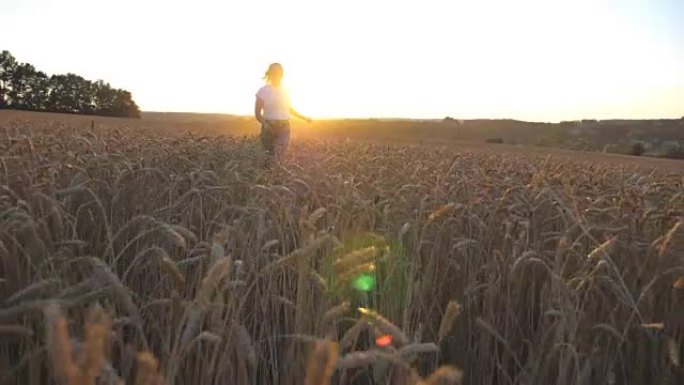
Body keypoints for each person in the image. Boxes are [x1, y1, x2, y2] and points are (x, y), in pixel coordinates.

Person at [254, 63, 311, 162]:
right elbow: (257, 113)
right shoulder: (263, 91)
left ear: (282, 74)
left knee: (279, 157)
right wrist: (265, 124)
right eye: (274, 72)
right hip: (268, 127)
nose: (277, 75)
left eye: (279, 72)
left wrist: (304, 117)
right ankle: (268, 176)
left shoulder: (286, 90)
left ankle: (276, 176)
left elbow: (288, 108)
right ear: (269, 74)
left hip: (284, 128)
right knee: (268, 157)